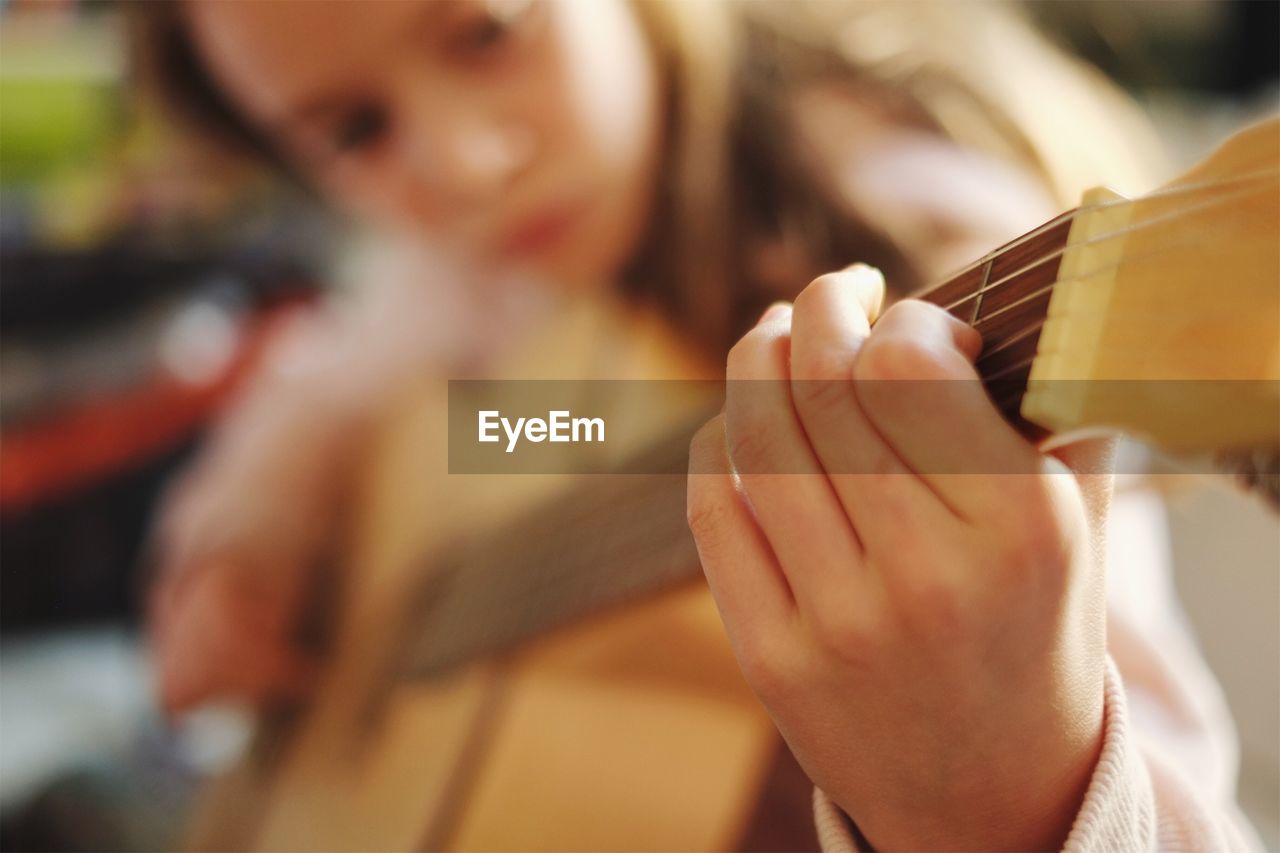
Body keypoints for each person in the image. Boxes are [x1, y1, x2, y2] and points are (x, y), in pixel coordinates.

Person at [131, 1, 1258, 848]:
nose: (465, 161)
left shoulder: (913, 251)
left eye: (485, 32)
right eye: (352, 130)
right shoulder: (484, 303)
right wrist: (247, 532)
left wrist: (1016, 786)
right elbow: (340, 371)